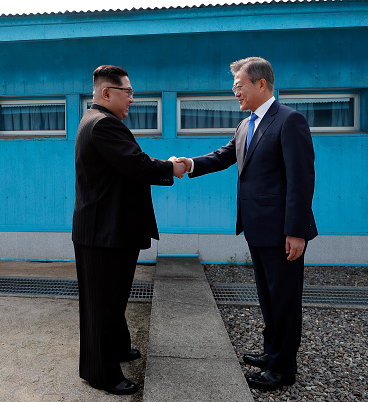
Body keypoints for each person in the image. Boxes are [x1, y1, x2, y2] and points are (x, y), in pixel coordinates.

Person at [176, 57, 317, 391]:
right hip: (256, 227)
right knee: (268, 296)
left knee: (284, 298)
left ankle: (283, 369)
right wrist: (189, 163)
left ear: (261, 84)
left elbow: (302, 179)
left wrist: (296, 231)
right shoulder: (246, 125)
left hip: (283, 231)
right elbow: (224, 156)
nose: (234, 92)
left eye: (239, 86)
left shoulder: (289, 121)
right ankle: (272, 353)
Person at [72, 65, 186, 395]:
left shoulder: (97, 120)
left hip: (107, 230)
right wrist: (172, 168)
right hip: (104, 234)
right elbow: (137, 164)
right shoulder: (104, 125)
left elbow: (128, 163)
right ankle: (100, 373)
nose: (132, 100)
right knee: (102, 306)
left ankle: (119, 348)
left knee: (113, 299)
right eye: (128, 93)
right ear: (106, 93)